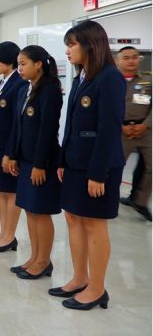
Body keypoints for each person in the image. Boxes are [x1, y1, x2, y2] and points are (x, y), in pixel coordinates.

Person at [54, 20, 125, 310]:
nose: (67, 51)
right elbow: (70, 125)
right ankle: (79, 277)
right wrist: (63, 159)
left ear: (90, 45)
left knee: (94, 224)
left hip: (98, 166)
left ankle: (97, 288)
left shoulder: (109, 78)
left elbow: (109, 130)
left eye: (71, 44)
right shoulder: (81, 77)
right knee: (73, 218)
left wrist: (98, 173)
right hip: (75, 162)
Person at [7, 45, 63, 279]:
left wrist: (39, 164)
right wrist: (13, 154)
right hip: (26, 159)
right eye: (18, 64)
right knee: (30, 211)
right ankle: (34, 256)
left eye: (23, 64)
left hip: (43, 161)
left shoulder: (49, 90)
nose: (19, 68)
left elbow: (47, 130)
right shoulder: (26, 89)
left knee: (40, 212)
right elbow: (19, 126)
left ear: (38, 64)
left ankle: (44, 261)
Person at [0, 42, 27, 252]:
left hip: (9, 149)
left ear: (11, 60)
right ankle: (3, 233)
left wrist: (10, 153)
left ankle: (10, 235)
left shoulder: (19, 84)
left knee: (11, 192)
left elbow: (16, 123)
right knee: (0, 191)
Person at [116, 46, 151, 221]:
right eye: (126, 57)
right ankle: (108, 200)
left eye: (135, 57)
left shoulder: (148, 80)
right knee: (114, 168)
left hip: (145, 130)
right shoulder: (111, 80)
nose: (131, 61)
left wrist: (145, 125)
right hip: (119, 131)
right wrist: (120, 126)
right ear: (117, 61)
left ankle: (140, 202)